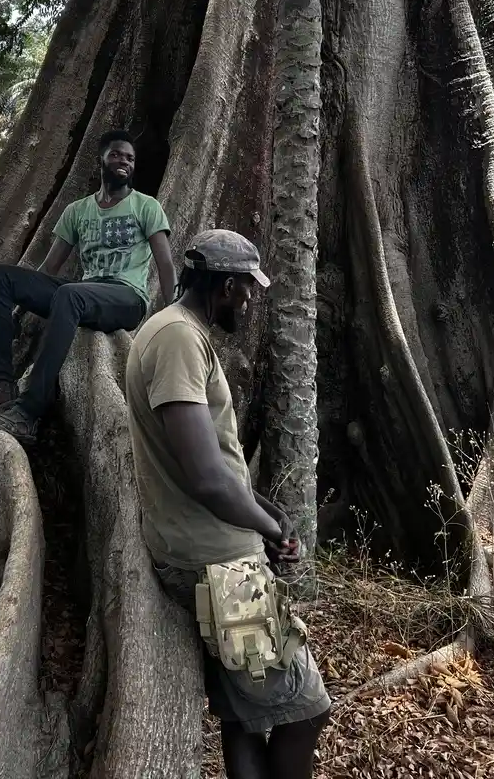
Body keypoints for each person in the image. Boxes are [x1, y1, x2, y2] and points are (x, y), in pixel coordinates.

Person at [125, 229, 330, 779]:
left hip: (214, 554)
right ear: (224, 285)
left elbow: (217, 460)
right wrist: (270, 529)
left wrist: (267, 514)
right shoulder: (176, 340)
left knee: (243, 717)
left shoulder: (178, 334)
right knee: (305, 710)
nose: (250, 300)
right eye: (246, 289)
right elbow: (206, 479)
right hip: (222, 570)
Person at [0, 129, 175, 442]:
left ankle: (28, 412)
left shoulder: (146, 207)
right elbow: (49, 268)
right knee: (0, 277)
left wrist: (172, 317)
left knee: (69, 293)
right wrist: (20, 310)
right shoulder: (77, 211)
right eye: (117, 154)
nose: (124, 161)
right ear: (102, 159)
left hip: (126, 299)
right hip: (84, 294)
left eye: (130, 158)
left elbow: (166, 264)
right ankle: (1, 386)